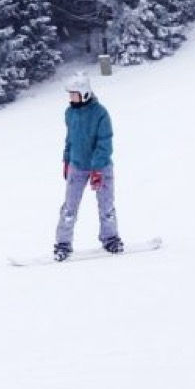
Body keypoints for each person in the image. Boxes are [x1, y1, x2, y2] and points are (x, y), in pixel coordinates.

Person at [54, 71, 122, 261]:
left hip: (101, 167)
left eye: (73, 93)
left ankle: (110, 238)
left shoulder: (101, 113)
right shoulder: (70, 113)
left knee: (106, 206)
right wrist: (67, 160)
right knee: (69, 208)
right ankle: (63, 243)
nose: (70, 97)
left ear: (84, 93)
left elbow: (105, 143)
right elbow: (70, 139)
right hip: (77, 166)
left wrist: (98, 169)